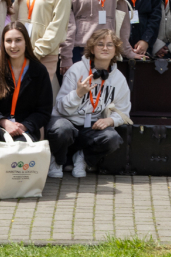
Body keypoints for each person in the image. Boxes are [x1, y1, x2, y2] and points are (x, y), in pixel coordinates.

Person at [0, 23, 54, 193]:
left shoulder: (39, 71)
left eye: (18, 40)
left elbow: (44, 110)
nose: (13, 46)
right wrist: (3, 122)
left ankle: (12, 177)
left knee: (21, 155)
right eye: (8, 41)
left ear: (26, 42)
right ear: (3, 43)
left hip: (24, 127)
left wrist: (25, 126)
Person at [48, 28, 132, 178]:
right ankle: (58, 161)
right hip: (68, 121)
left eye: (110, 45)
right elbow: (61, 107)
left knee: (113, 139)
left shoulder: (119, 79)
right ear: (92, 48)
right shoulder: (76, 70)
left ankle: (83, 158)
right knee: (61, 129)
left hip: (91, 126)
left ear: (115, 50)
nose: (105, 48)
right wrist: (77, 94)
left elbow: (124, 112)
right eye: (100, 44)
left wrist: (110, 120)